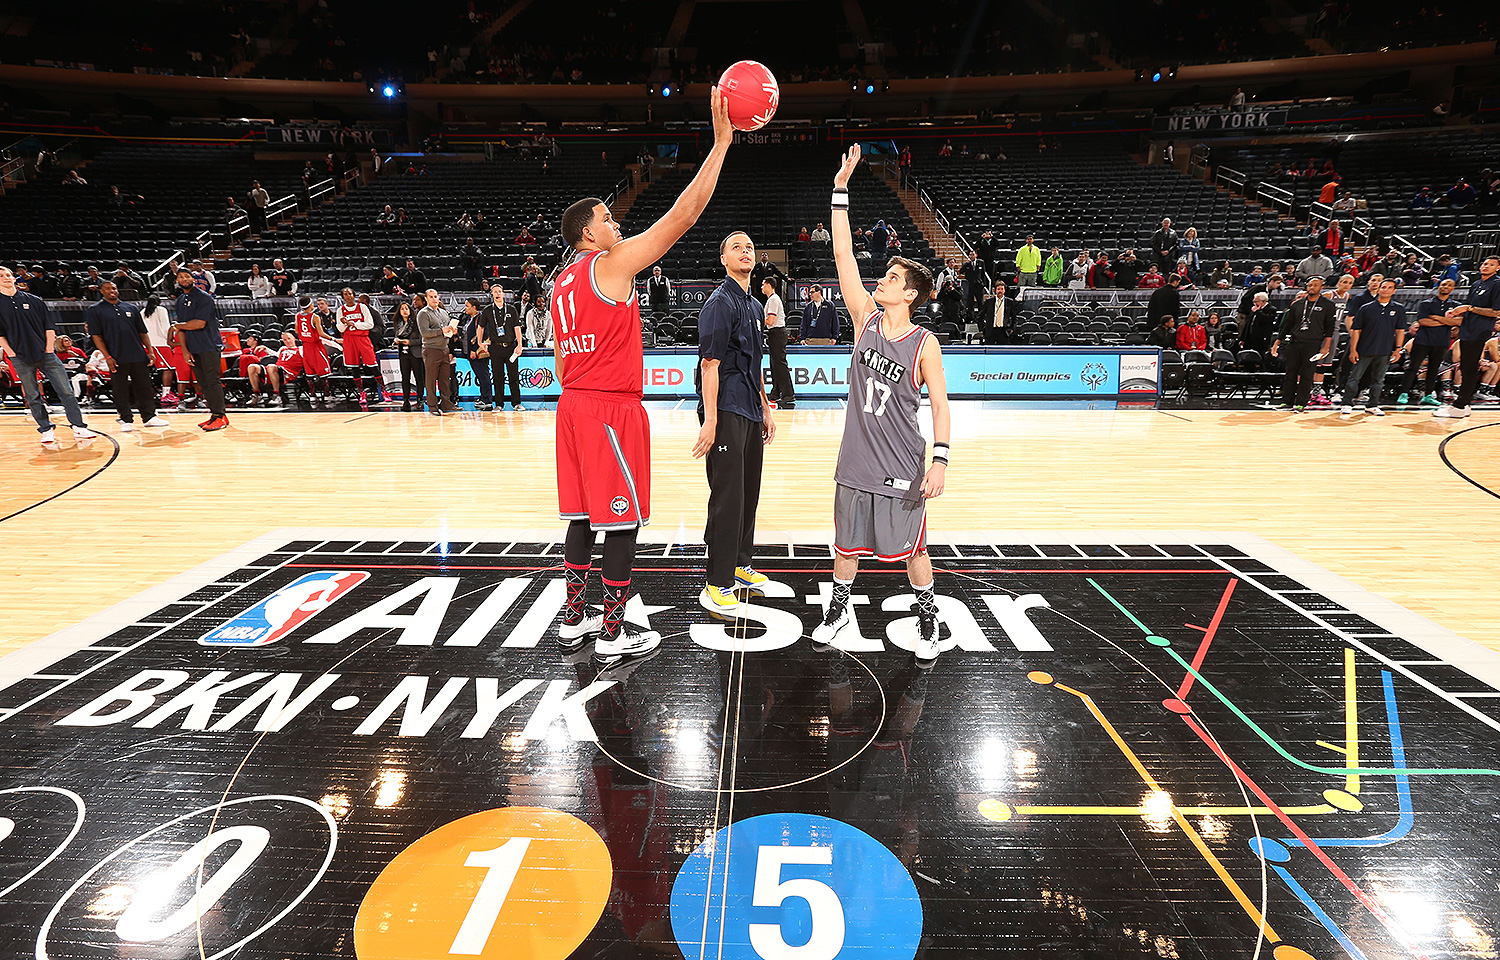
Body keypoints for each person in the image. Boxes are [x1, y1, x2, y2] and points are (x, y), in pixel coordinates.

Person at [549, 85, 733, 672]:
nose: (615, 222)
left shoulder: (560, 284)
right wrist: (722, 142)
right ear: (588, 235)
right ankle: (613, 626)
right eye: (606, 218)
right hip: (608, 408)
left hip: (571, 406)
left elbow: (557, 360)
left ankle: (574, 617)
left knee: (580, 518)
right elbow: (683, 215)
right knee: (621, 519)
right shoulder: (611, 263)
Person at [818, 144, 950, 666]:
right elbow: (844, 255)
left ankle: (927, 614)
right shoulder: (864, 321)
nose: (884, 280)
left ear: (912, 294)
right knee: (844, 546)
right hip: (855, 457)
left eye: (895, 278)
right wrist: (841, 190)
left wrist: (939, 459)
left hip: (901, 463)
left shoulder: (924, 342)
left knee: (913, 550)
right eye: (887, 275)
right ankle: (839, 610)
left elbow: (940, 406)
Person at [692, 231, 778, 614]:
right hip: (724, 408)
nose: (745, 251)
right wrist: (710, 420)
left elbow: (755, 364)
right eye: (736, 247)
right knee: (727, 497)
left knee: (748, 491)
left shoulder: (755, 307)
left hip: (748, 407)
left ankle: (741, 564)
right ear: (724, 259)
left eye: (750, 247)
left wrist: (765, 405)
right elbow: (708, 364)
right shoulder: (719, 303)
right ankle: (716, 581)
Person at [0, 266, 97, 446]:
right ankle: (45, 429)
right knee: (32, 395)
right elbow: (0, 336)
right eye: (1, 276)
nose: (6, 277)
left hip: (46, 353)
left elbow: (49, 327)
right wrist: (12, 354)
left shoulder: (34, 300)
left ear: (14, 278)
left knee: (66, 390)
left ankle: (79, 426)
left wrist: (48, 349)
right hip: (19, 356)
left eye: (8, 275)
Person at [86, 280, 165, 430]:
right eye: (108, 289)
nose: (112, 291)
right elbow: (96, 336)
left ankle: (149, 416)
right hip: (116, 356)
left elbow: (143, 332)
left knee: (144, 386)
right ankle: (125, 419)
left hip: (137, 354)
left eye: (114, 288)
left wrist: (150, 351)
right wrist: (107, 357)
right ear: (101, 291)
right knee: (120, 388)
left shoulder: (131, 308)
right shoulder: (95, 310)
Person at [1435, 255, 1500, 419]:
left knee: (1469, 367)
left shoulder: (1497, 284)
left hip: (1479, 331)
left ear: (1497, 268)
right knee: (1465, 367)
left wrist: (1468, 308)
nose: (1486, 266)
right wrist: (1456, 313)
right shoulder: (1477, 283)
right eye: (1485, 263)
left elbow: (1496, 312)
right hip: (1467, 329)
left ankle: (1460, 405)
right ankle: (1465, 405)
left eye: (1491, 264)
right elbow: (1468, 309)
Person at [171, 267, 228, 431]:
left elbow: (199, 323)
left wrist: (177, 326)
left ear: (193, 279)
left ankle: (221, 415)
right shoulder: (180, 300)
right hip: (192, 347)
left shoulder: (204, 298)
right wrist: (185, 350)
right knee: (203, 383)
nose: (184, 279)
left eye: (187, 276)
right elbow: (181, 330)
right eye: (180, 277)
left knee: (212, 381)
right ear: (177, 281)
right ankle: (214, 415)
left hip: (209, 345)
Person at [1271, 275, 1336, 410]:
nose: (1312, 287)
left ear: (1321, 287)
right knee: (1290, 373)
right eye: (1310, 285)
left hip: (1313, 343)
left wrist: (1326, 347)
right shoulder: (1298, 304)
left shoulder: (1328, 305)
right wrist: (1277, 343)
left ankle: (1302, 402)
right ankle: (1287, 401)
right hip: (1294, 342)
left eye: (1315, 285)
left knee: (1307, 374)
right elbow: (1287, 325)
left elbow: (1330, 328)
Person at [1342, 279, 1405, 416]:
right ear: (1379, 289)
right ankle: (1347, 403)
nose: (1385, 290)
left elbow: (1400, 330)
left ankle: (1373, 405)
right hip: (1364, 349)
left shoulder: (1398, 309)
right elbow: (1356, 330)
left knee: (1378, 380)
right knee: (1354, 377)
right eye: (1383, 287)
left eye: (1389, 287)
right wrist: (1353, 349)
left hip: (1385, 350)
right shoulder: (1366, 308)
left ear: (1394, 291)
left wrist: (1398, 348)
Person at [1399, 278, 1458, 406]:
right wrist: (1446, 322)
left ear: (1453, 288)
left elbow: (1458, 322)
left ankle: (1428, 395)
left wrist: (1436, 317)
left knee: (1433, 369)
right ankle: (1404, 393)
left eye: (1449, 285)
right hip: (1423, 341)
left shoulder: (1455, 306)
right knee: (1413, 367)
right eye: (1443, 284)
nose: (1445, 287)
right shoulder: (1426, 303)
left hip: (1441, 342)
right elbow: (1423, 321)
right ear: (1438, 286)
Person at [477, 286, 525, 411]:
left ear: (503, 294)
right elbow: (480, 327)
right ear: (491, 294)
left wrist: (520, 345)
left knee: (513, 376)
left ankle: (516, 403)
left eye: (499, 291)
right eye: (495, 292)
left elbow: (517, 327)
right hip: (495, 347)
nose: (497, 294)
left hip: (510, 347)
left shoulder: (511, 309)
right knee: (498, 377)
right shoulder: (487, 310)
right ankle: (499, 404)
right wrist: (479, 342)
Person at [336, 287, 379, 408]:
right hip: (349, 340)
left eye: (350, 293)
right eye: (345, 294)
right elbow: (339, 329)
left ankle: (383, 390)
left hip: (363, 338)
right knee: (354, 367)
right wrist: (344, 324)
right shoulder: (340, 310)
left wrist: (354, 324)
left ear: (354, 295)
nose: (348, 296)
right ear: (343, 297)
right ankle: (362, 393)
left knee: (373, 365)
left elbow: (370, 324)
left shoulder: (362, 307)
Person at [418, 289, 458, 415]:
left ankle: (446, 404)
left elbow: (447, 331)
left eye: (436, 296)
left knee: (445, 379)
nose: (434, 299)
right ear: (426, 299)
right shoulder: (423, 313)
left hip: (444, 349)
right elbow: (425, 333)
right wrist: (441, 330)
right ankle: (432, 406)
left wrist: (452, 331)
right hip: (431, 350)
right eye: (431, 297)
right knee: (431, 380)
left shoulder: (444, 312)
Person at [761, 277, 795, 408]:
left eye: (763, 285)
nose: (762, 287)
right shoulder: (771, 300)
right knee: (774, 364)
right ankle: (775, 392)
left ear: (770, 285)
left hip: (778, 333)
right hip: (774, 333)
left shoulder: (774, 300)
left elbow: (770, 321)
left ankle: (788, 393)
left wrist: (757, 319)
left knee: (780, 364)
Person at [293, 296, 332, 407]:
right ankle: (327, 395)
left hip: (306, 347)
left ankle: (312, 395)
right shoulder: (315, 317)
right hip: (316, 346)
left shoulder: (298, 316)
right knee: (324, 374)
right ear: (310, 305)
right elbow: (321, 333)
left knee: (310, 374)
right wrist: (333, 339)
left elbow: (296, 330)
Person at [391, 299, 425, 411]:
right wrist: (396, 341)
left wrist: (410, 342)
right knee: (405, 378)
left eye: (406, 308)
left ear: (410, 310)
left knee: (419, 377)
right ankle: (406, 401)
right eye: (402, 309)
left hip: (415, 353)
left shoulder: (417, 322)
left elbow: (422, 339)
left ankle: (420, 399)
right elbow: (397, 336)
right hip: (403, 353)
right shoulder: (398, 324)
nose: (404, 311)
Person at [982, 279, 1015, 345]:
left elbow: (1014, 317)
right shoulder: (989, 301)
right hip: (991, 331)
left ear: (1004, 290)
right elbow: (980, 316)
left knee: (1004, 352)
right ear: (995, 290)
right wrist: (983, 328)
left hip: (1004, 331)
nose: (1000, 291)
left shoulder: (1009, 302)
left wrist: (1012, 329)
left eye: (1002, 289)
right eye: (998, 289)